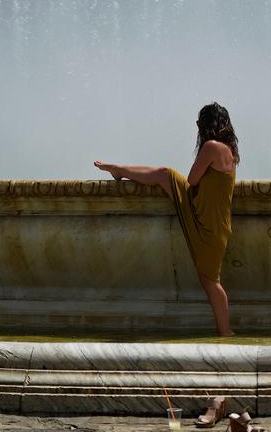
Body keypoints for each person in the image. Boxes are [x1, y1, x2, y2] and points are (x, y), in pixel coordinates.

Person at [94, 102, 239, 336]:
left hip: (208, 224)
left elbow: (192, 179)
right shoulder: (227, 148)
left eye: (199, 123)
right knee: (165, 174)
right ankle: (120, 169)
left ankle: (226, 331)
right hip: (207, 218)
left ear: (206, 124)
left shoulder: (212, 147)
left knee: (210, 280)